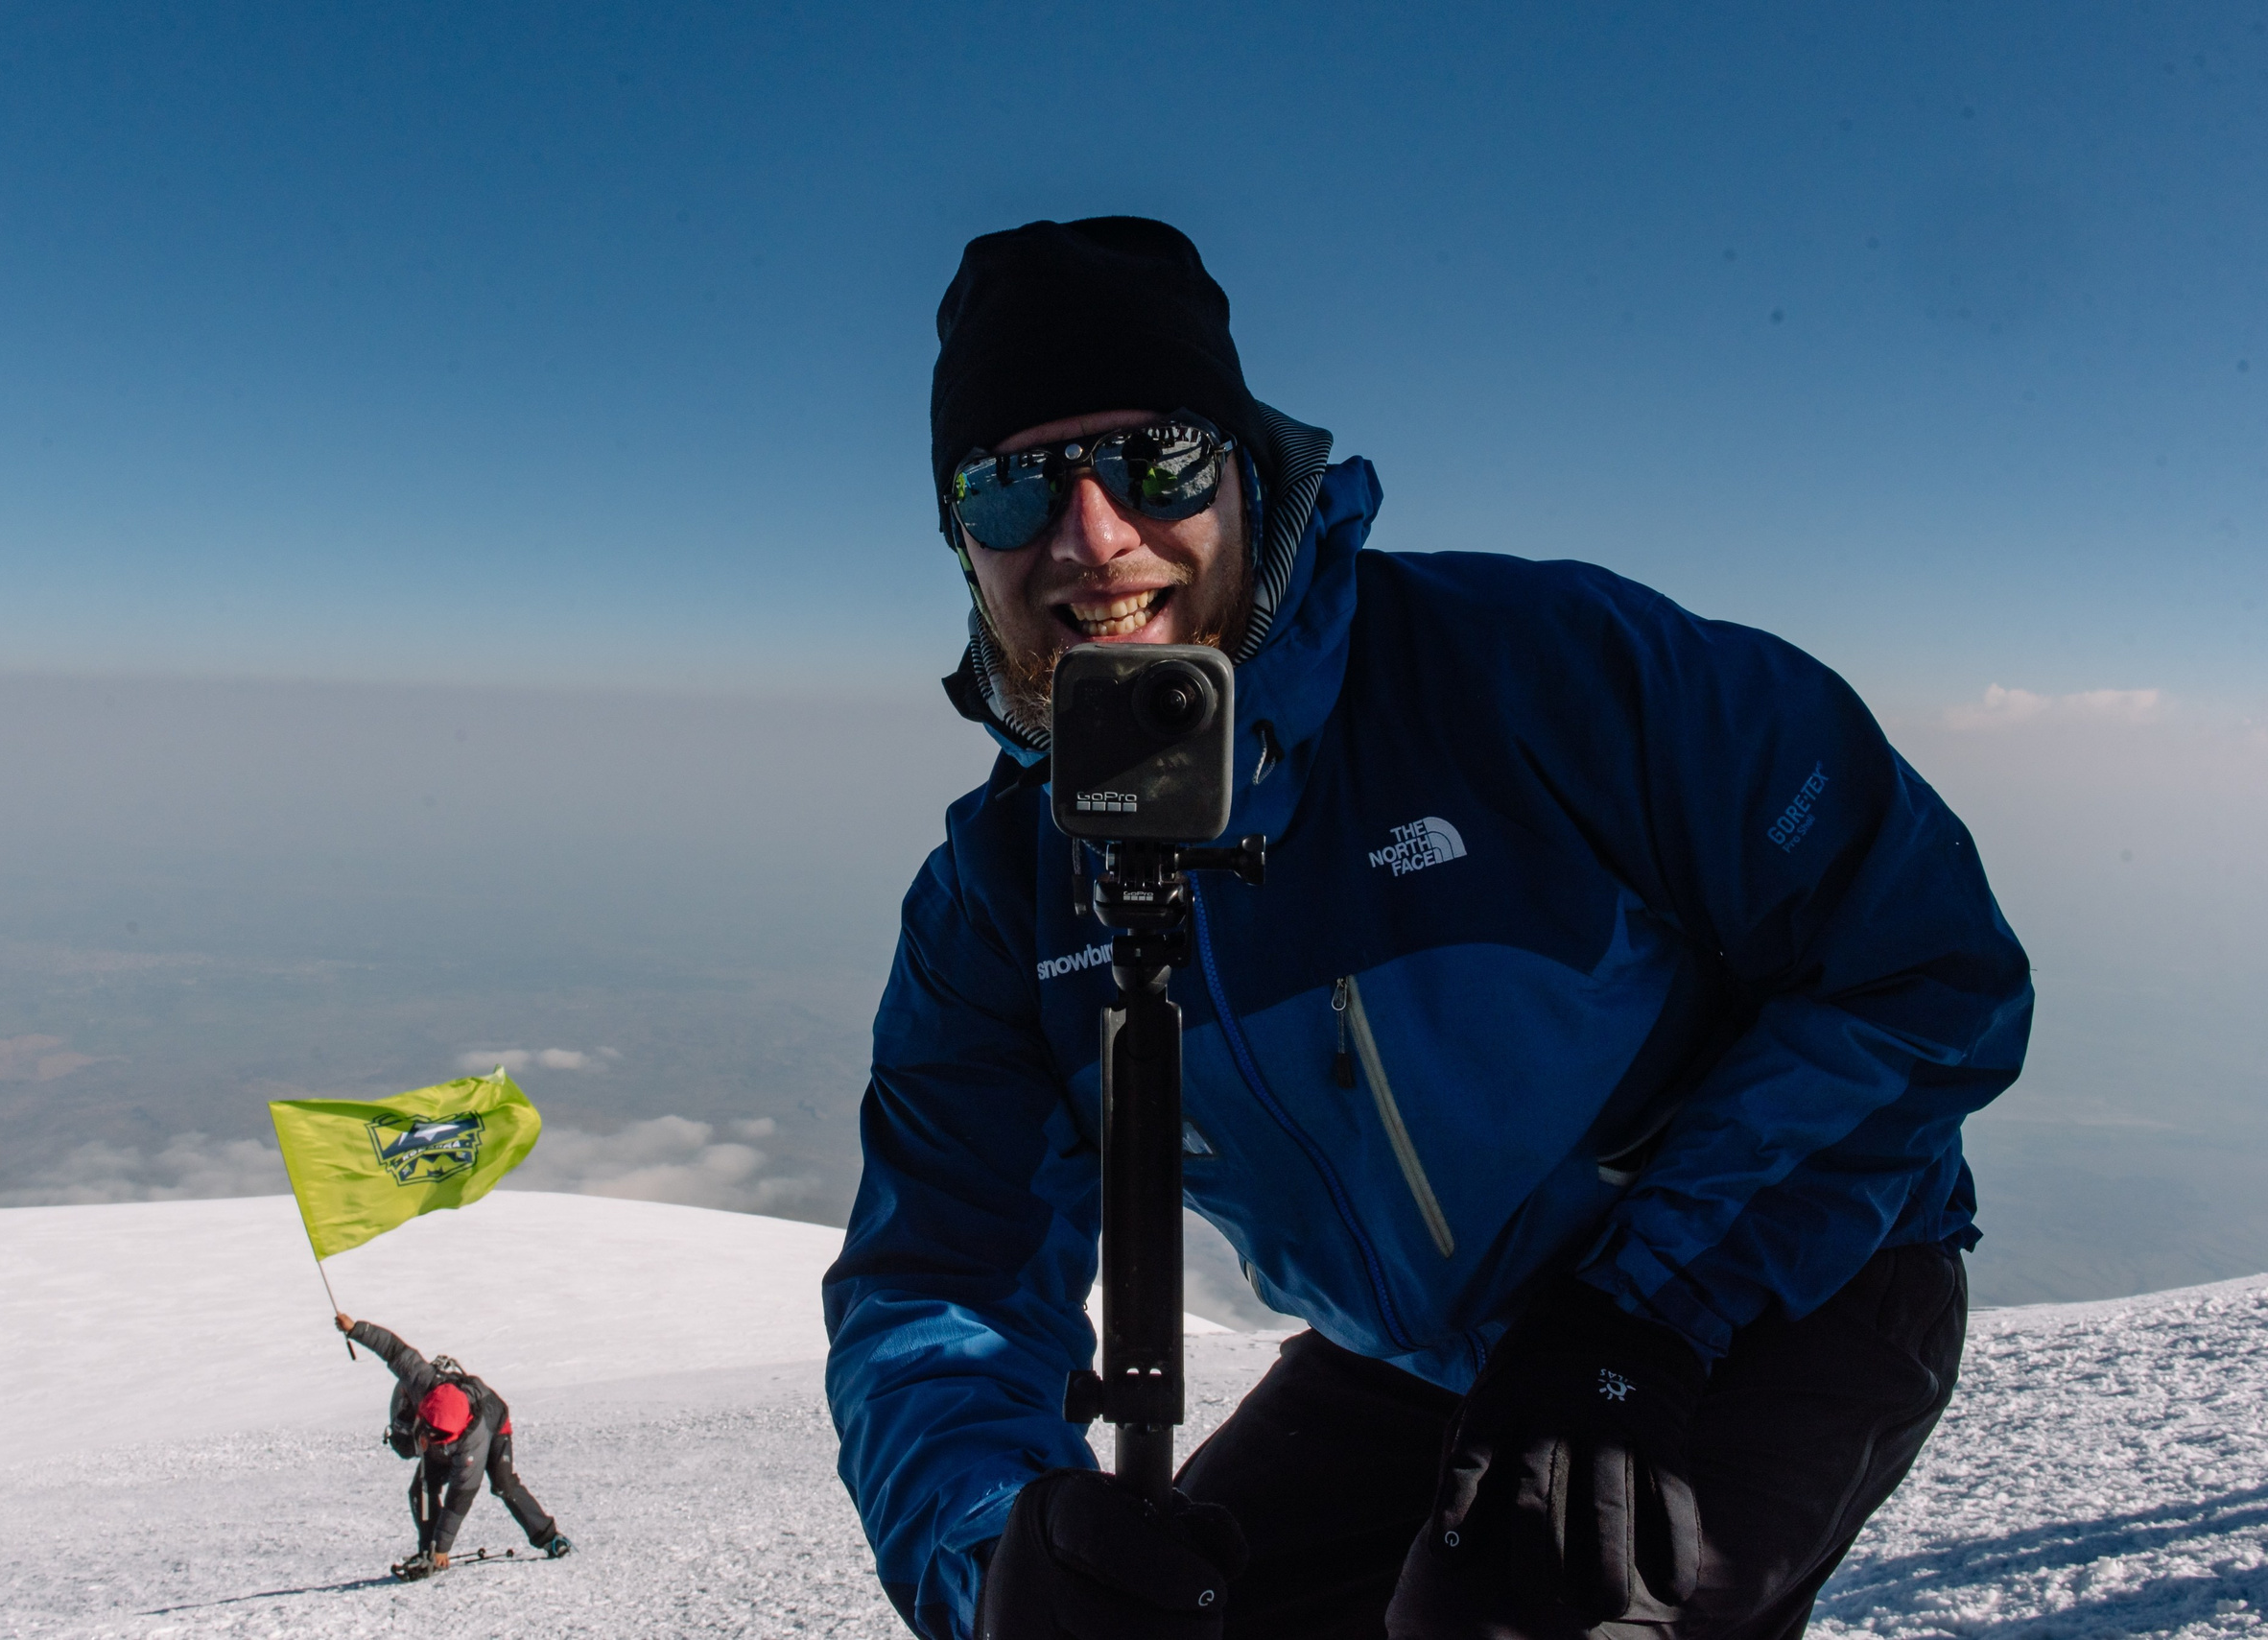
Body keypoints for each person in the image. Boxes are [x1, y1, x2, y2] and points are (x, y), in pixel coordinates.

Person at [821, 217, 2032, 1640]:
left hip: (1786, 1278)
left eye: (1155, 459)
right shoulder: (1000, 896)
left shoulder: (1545, 676)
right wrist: (992, 1557)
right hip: (1418, 1353)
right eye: (1014, 484)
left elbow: (1922, 966)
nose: (1093, 536)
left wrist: (1637, 1316)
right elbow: (939, 1280)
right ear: (963, 537)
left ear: (1245, 467)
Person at [334, 1312, 573, 1578]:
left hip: (494, 1427)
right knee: (421, 1490)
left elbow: (459, 1498)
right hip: (454, 1426)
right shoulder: (423, 1381)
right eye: (428, 1431)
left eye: (436, 1436)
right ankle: (428, 1551)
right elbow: (393, 1349)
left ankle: (549, 1537)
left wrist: (444, 1547)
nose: (428, 1439)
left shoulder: (473, 1443)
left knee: (504, 1485)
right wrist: (355, 1329)